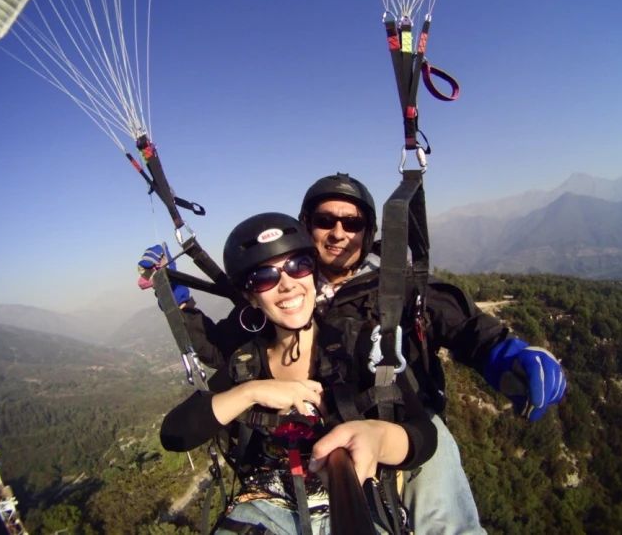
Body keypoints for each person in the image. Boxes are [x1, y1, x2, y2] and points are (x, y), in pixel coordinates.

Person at [140, 173, 567, 535]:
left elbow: (465, 327)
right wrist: (181, 307)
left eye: (353, 222)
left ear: (369, 231)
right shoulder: (280, 295)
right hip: (314, 451)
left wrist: (508, 357)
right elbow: (227, 352)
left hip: (403, 424)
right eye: (326, 221)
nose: (340, 232)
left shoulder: (396, 290)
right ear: (307, 228)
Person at [159, 212, 437, 535]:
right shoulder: (247, 364)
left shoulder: (357, 344)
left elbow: (424, 433)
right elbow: (175, 433)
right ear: (251, 296)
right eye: (265, 277)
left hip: (360, 507)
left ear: (312, 274)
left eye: (298, 266)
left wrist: (378, 439)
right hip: (267, 513)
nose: (287, 284)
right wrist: (252, 392)